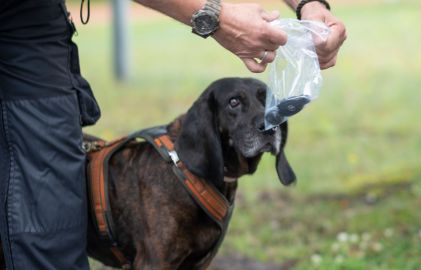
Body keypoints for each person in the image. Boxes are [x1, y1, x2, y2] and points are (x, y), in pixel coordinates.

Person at [0, 0, 345, 268]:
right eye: (237, 104)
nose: (262, 120)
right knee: (41, 225)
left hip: (36, 22)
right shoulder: (174, 189)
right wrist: (215, 15)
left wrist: (309, 6)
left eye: (262, 105)